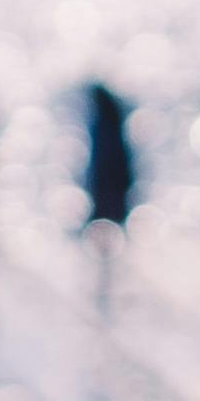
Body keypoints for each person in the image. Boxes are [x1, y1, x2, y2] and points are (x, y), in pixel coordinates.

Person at [76, 79, 137, 311]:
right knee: (108, 238)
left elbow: (104, 162)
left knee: (105, 238)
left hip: (106, 190)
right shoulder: (112, 122)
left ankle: (106, 285)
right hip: (109, 189)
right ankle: (106, 283)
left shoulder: (104, 124)